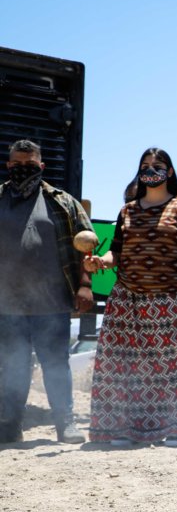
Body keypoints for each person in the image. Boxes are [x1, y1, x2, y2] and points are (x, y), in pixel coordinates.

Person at [85, 148, 177, 444]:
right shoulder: (127, 211)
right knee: (123, 365)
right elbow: (116, 252)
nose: (151, 170)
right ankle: (123, 429)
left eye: (158, 165)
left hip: (168, 299)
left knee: (172, 366)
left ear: (169, 172)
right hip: (126, 300)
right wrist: (101, 262)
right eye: (145, 165)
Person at [0, 139, 93, 444]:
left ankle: (65, 424)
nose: (22, 169)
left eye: (29, 164)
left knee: (56, 364)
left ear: (41, 166)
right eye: (16, 164)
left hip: (51, 302)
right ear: (8, 165)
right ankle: (10, 425)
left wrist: (85, 285)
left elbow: (87, 248)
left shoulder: (63, 202)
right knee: (12, 365)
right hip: (7, 303)